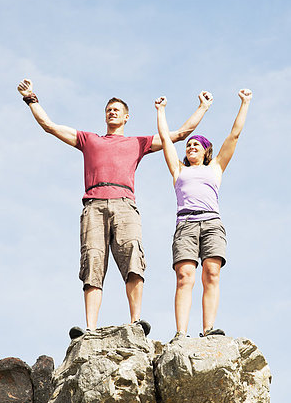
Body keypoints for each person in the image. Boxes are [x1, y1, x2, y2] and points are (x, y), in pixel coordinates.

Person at [17, 78, 213, 339]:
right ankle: (90, 328)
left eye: (117, 109)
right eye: (108, 109)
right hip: (94, 205)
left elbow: (177, 135)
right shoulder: (89, 139)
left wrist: (203, 107)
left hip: (125, 204)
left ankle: (135, 322)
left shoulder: (137, 142)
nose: (112, 112)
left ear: (126, 117)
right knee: (93, 262)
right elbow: (50, 126)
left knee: (133, 258)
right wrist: (31, 98)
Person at [155, 88, 252, 339]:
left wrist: (245, 102)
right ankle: (181, 333)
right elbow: (166, 139)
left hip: (211, 222)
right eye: (188, 145)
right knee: (185, 276)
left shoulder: (216, 167)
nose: (191, 147)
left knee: (212, 273)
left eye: (196, 144)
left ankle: (208, 329)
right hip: (185, 223)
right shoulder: (178, 169)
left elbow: (235, 135)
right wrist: (161, 111)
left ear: (206, 150)